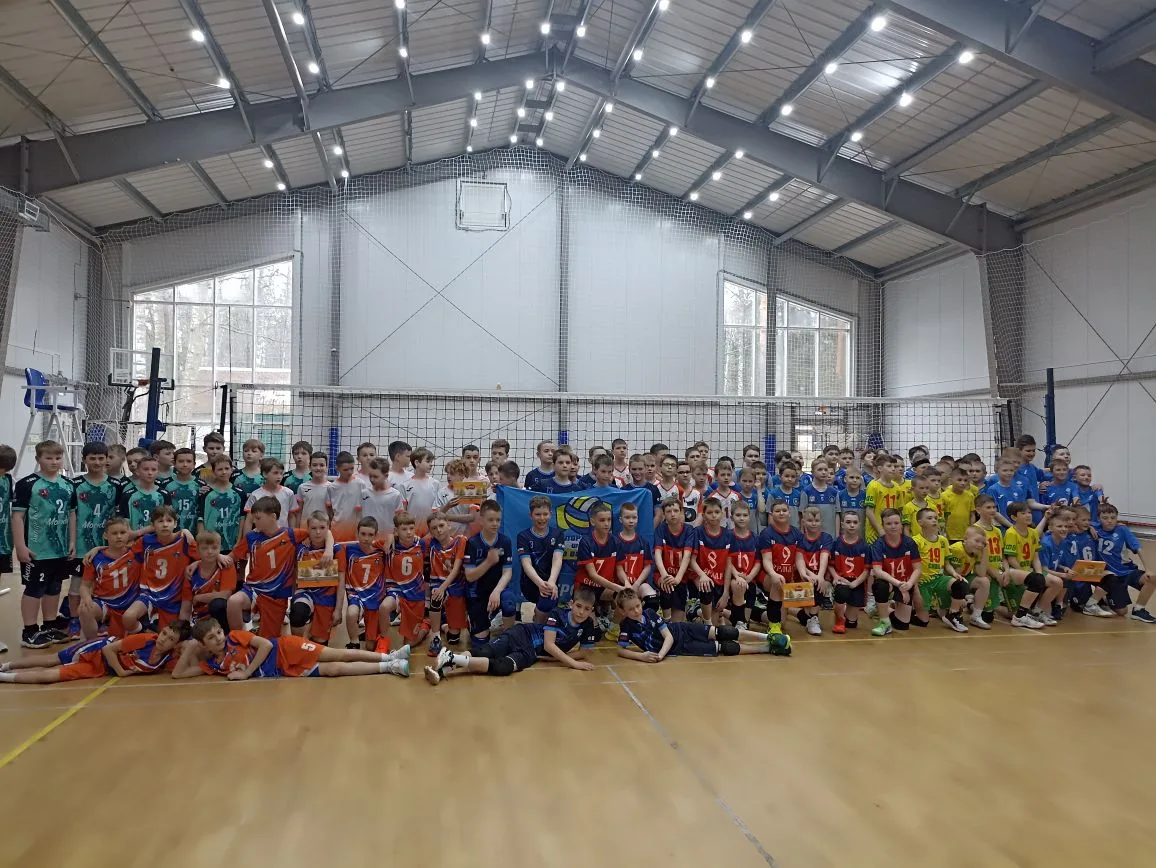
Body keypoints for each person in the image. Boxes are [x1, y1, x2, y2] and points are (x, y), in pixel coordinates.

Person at [423, 586, 598, 685]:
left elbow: (584, 652)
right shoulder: (558, 614)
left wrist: (556, 658)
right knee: (487, 651)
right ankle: (451, 660)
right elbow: (549, 645)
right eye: (579, 606)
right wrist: (572, 663)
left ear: (592, 610)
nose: (582, 612)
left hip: (531, 653)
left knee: (503, 668)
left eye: (587, 609)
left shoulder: (588, 625)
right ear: (571, 604)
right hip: (522, 634)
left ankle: (445, 666)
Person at [174, 619, 409, 679]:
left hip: (286, 648)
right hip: (284, 669)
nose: (218, 638)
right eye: (211, 638)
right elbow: (178, 674)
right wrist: (191, 646)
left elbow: (266, 644)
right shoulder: (213, 665)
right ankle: (390, 667)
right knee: (334, 670)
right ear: (204, 644)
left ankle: (388, 656)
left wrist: (247, 673)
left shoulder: (235, 636)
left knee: (339, 654)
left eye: (218, 633)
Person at [229, 497, 327, 638]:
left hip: (276, 596)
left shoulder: (291, 535)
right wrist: (217, 558)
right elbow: (232, 556)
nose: (254, 521)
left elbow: (325, 532)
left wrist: (329, 550)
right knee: (233, 602)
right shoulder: (251, 537)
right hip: (253, 589)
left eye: (258, 518)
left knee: (269, 640)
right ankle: (238, 641)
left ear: (273, 517)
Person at [13, 440, 77, 648]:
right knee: (34, 588)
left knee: (54, 587)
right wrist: (20, 546)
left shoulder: (68, 484)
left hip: (59, 548)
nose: (54, 462)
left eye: (58, 457)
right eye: (48, 458)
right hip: (36, 549)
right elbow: (17, 517)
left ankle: (49, 626)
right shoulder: (27, 484)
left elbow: (72, 514)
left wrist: (72, 541)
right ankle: (29, 631)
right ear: (38, 459)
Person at [614, 588, 788, 660]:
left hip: (683, 629)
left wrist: (659, 656)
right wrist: (641, 656)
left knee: (722, 632)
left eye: (637, 606)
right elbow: (621, 650)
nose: (636, 611)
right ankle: (767, 648)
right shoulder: (626, 627)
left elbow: (668, 636)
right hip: (682, 647)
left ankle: (769, 637)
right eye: (631, 609)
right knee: (724, 648)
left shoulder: (649, 613)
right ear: (622, 611)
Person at [0, 621, 191, 683]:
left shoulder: (167, 659)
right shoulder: (145, 639)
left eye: (170, 639)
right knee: (52, 660)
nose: (163, 639)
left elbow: (179, 672)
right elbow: (109, 649)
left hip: (101, 669)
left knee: (53, 676)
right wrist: (121, 672)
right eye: (164, 633)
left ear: (177, 645)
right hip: (97, 650)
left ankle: (4, 678)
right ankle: (6, 666)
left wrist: (189, 647)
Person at [120, 505, 198, 635]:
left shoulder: (185, 540)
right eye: (160, 521)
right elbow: (122, 553)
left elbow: (205, 557)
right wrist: (98, 549)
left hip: (173, 598)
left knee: (172, 635)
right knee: (128, 618)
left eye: (169, 521)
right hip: (148, 595)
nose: (165, 525)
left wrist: (216, 557)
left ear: (175, 524)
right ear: (153, 525)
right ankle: (146, 632)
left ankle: (153, 632)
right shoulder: (145, 541)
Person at [67, 441, 118, 638]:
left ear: (106, 460)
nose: (97, 462)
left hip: (106, 546)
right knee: (77, 584)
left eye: (101, 458)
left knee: (102, 584)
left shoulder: (116, 486)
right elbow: (71, 515)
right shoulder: (74, 485)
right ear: (84, 460)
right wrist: (71, 541)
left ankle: (99, 618)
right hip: (82, 545)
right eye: (92, 458)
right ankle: (74, 619)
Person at [462, 499, 513, 652]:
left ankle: (509, 638)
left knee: (509, 601)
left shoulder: (505, 541)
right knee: (480, 645)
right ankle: (479, 620)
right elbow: (469, 576)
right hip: (477, 594)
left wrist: (497, 591)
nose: (495, 523)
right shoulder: (472, 543)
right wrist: (489, 562)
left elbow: (507, 572)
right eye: (490, 520)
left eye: (498, 520)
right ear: (481, 519)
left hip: (497, 591)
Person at [77, 516, 139, 639]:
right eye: (114, 533)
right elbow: (85, 585)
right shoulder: (95, 558)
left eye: (123, 532)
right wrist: (86, 597)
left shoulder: (136, 553)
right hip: (105, 603)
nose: (119, 536)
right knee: (84, 609)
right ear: (105, 535)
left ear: (129, 534)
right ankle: (92, 643)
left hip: (130, 603)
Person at [1005, 501, 1064, 628]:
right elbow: (1011, 559)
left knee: (1057, 582)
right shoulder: (1011, 533)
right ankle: (1020, 616)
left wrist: (1039, 572)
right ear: (1014, 517)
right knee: (1036, 579)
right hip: (1013, 570)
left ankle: (1036, 612)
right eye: (1023, 513)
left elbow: (1035, 557)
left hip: (1029, 570)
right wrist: (1026, 572)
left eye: (1029, 512)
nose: (1028, 515)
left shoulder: (1032, 533)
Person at [1095, 503, 1156, 621]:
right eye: (1105, 518)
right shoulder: (1094, 528)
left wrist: (1148, 569)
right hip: (1112, 577)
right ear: (1098, 518)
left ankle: (1139, 610)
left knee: (1152, 577)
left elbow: (1138, 549)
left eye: (1113, 518)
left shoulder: (1122, 530)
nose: (1109, 521)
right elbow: (1080, 521)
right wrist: (1090, 527)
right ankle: (1107, 596)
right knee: (1122, 612)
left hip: (1128, 571)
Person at [912, 507, 968, 632]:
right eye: (929, 518)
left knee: (961, 584)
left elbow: (947, 564)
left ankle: (952, 615)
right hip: (922, 582)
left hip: (938, 579)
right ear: (920, 522)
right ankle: (907, 609)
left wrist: (954, 574)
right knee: (923, 621)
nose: (934, 520)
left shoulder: (942, 540)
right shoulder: (915, 541)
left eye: (936, 518)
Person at [869, 509, 922, 637]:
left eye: (896, 523)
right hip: (890, 582)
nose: (893, 526)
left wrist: (909, 584)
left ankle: (884, 609)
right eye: (889, 524)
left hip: (905, 582)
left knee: (902, 625)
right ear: (883, 525)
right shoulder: (878, 544)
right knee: (880, 585)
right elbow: (877, 571)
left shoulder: (909, 543)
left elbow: (918, 569)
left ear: (901, 524)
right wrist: (898, 584)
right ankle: (884, 622)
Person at [287, 512, 338, 643]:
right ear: (308, 529)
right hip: (306, 593)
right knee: (297, 614)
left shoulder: (336, 550)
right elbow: (294, 572)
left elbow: (342, 581)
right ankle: (296, 646)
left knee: (319, 643)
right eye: (313, 528)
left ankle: (311, 627)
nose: (318, 532)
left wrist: (338, 609)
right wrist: (292, 599)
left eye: (322, 528)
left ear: (328, 528)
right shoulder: (300, 548)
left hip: (326, 598)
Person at [758, 500, 805, 637]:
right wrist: (773, 574)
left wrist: (803, 573)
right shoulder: (766, 534)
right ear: (772, 514)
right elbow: (766, 560)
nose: (781, 513)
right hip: (767, 576)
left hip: (787, 578)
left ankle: (757, 613)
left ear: (789, 513)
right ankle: (773, 626)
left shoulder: (797, 534)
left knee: (783, 623)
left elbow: (799, 559)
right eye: (777, 511)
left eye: (784, 510)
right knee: (777, 583)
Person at [338, 517, 386, 650]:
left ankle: (372, 634)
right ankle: (354, 642)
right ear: (357, 533)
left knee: (370, 647)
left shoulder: (382, 550)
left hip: (375, 597)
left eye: (370, 535)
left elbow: (397, 540)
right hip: (356, 594)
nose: (366, 538)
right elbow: (330, 544)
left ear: (376, 535)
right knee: (351, 613)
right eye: (363, 534)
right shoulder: (348, 549)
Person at [516, 495, 565, 623]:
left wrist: (552, 582)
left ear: (550, 514)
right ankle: (537, 627)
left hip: (550, 582)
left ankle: (538, 619)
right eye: (538, 514)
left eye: (545, 514)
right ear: (530, 515)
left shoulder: (557, 534)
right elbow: (526, 564)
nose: (542, 518)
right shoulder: (523, 536)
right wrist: (540, 584)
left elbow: (557, 559)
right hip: (531, 584)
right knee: (546, 603)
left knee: (549, 601)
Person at [424, 513, 468, 655]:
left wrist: (443, 588)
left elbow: (456, 569)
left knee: (453, 639)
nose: (438, 530)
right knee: (435, 597)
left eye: (441, 525)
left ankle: (444, 625)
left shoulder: (460, 541)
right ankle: (435, 636)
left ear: (449, 524)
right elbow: (410, 539)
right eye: (434, 528)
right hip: (437, 584)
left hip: (455, 585)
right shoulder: (430, 543)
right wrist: (391, 536)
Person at [384, 512, 429, 649]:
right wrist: (390, 536)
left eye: (411, 528)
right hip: (396, 590)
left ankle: (425, 626)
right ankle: (383, 641)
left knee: (408, 644)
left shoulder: (421, 543)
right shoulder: (389, 544)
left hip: (415, 593)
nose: (409, 532)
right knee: (384, 607)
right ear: (396, 530)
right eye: (404, 529)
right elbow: (369, 543)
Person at [653, 496, 697, 621]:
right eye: (668, 511)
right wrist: (664, 575)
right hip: (663, 574)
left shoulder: (688, 530)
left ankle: (682, 617)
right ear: (664, 515)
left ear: (681, 512)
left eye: (676, 511)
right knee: (666, 589)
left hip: (680, 576)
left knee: (677, 622)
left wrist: (678, 578)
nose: (673, 514)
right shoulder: (661, 529)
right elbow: (657, 554)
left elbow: (687, 556)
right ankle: (665, 620)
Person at [187, 530, 238, 635]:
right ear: (198, 549)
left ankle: (227, 636)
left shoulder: (227, 565)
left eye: (214, 548)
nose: (210, 551)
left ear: (220, 548)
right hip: (198, 618)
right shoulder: (190, 571)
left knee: (218, 604)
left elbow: (225, 595)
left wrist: (198, 598)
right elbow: (186, 605)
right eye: (205, 548)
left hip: (220, 616)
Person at [576, 501, 625, 604]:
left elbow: (620, 571)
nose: (606, 524)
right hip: (586, 588)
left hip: (606, 588)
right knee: (587, 613)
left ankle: (609, 613)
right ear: (593, 522)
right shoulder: (586, 542)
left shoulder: (616, 542)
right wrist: (617, 587)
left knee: (625, 597)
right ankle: (597, 609)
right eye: (602, 520)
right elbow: (593, 575)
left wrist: (627, 585)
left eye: (609, 520)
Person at [691, 498, 730, 625]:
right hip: (700, 575)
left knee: (718, 620)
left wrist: (726, 593)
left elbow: (729, 565)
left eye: (717, 512)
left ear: (722, 513)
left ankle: (696, 611)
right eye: (709, 512)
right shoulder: (698, 532)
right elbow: (691, 560)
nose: (713, 515)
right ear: (703, 516)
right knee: (707, 588)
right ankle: (707, 624)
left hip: (719, 578)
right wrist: (702, 575)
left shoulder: (728, 535)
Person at [828, 510, 869, 633]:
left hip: (857, 582)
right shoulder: (836, 543)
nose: (852, 525)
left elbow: (866, 570)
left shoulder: (865, 546)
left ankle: (843, 612)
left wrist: (855, 583)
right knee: (842, 591)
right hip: (841, 580)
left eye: (855, 522)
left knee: (851, 624)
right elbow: (830, 565)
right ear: (842, 524)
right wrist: (836, 577)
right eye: (848, 522)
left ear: (859, 524)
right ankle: (839, 619)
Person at [197, 454, 245, 554]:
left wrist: (239, 541)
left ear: (232, 470)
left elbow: (242, 519)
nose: (224, 472)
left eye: (227, 468)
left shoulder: (239, 493)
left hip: (232, 544)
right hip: (211, 546)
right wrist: (202, 541)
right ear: (213, 471)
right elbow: (200, 519)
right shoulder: (206, 493)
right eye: (220, 469)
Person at [947, 525, 993, 630]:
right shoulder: (957, 549)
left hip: (963, 579)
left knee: (984, 581)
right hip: (949, 580)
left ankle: (976, 616)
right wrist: (963, 596)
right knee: (945, 615)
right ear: (965, 539)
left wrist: (985, 551)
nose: (980, 545)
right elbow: (953, 574)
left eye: (983, 543)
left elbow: (981, 573)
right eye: (977, 541)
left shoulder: (977, 551)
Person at [724, 501, 761, 627]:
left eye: (745, 515)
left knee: (746, 621)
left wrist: (749, 577)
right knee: (738, 585)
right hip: (733, 580)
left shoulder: (755, 538)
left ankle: (732, 615)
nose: (741, 518)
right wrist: (737, 576)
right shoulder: (728, 536)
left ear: (749, 517)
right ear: (731, 517)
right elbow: (727, 561)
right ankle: (739, 621)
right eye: (738, 515)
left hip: (749, 580)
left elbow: (758, 562)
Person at [242, 458, 298, 533]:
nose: (279, 476)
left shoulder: (288, 493)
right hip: (261, 536)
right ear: (265, 474)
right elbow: (249, 520)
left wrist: (292, 535)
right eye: (275, 473)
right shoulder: (255, 495)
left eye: (281, 473)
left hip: (283, 536)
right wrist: (246, 539)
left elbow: (291, 516)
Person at [361, 458, 405, 545]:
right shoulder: (364, 493)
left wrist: (395, 536)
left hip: (387, 541)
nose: (372, 479)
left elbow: (400, 519)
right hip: (367, 541)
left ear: (386, 476)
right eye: (370, 476)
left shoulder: (395, 495)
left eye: (375, 477)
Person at [117, 454, 166, 532]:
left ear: (158, 472)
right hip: (135, 538)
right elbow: (124, 527)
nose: (150, 473)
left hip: (159, 539)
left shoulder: (164, 494)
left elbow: (168, 521)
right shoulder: (127, 495)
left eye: (153, 469)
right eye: (146, 469)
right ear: (137, 471)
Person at [616, 500, 654, 598]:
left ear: (638, 519)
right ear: (620, 519)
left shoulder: (643, 542)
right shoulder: (614, 542)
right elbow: (617, 567)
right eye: (627, 517)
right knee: (621, 598)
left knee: (652, 598)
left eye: (634, 517)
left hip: (639, 583)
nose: (631, 521)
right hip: (620, 584)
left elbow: (647, 566)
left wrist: (637, 584)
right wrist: (627, 583)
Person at [864, 455, 904, 544]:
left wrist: (899, 528)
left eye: (895, 466)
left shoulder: (897, 487)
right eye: (889, 466)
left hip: (892, 530)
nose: (893, 469)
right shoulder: (873, 486)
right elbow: (869, 511)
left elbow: (900, 510)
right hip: (875, 533)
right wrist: (880, 530)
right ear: (880, 468)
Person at [161, 447, 201, 534]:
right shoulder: (165, 484)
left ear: (194, 464)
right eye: (181, 461)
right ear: (174, 463)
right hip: (171, 532)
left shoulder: (201, 485)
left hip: (195, 532)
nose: (185, 464)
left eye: (189, 461)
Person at [329, 451, 366, 540]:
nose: (349, 472)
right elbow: (330, 511)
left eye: (352, 468)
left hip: (357, 530)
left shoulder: (360, 484)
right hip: (338, 529)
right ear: (337, 468)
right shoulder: (332, 487)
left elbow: (365, 507)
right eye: (345, 470)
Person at [401, 447, 439, 531]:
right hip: (411, 530)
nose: (431, 464)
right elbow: (403, 512)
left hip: (431, 530)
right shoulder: (405, 485)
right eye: (428, 461)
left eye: (431, 461)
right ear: (417, 463)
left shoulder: (435, 483)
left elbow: (437, 509)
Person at [983, 457, 1026, 528]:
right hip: (1000, 527)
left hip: (1017, 527)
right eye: (1005, 470)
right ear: (997, 471)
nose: (1008, 473)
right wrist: (1011, 526)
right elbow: (994, 512)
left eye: (1011, 470)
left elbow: (1022, 509)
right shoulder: (993, 489)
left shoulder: (1018, 489)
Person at [801, 459, 839, 537]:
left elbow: (837, 515)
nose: (824, 472)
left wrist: (837, 535)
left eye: (825, 470)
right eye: (820, 469)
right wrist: (803, 533)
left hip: (830, 536)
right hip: (811, 536)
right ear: (812, 472)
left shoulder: (834, 492)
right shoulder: (806, 491)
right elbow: (802, 514)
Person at [294, 451, 333, 527]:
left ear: (326, 467)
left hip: (323, 529)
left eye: (321, 465)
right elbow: (299, 512)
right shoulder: (302, 487)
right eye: (314, 465)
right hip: (305, 529)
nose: (318, 468)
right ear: (310, 467)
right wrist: (297, 529)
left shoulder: (332, 488)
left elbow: (332, 513)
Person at [940, 466, 977, 543]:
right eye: (959, 480)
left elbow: (972, 514)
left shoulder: (970, 496)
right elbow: (941, 515)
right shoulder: (944, 496)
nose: (963, 483)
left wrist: (971, 529)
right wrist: (943, 532)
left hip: (965, 534)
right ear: (951, 480)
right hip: (949, 535)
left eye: (965, 480)